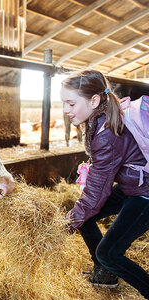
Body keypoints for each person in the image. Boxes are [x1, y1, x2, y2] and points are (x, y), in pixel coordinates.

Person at [61, 69, 149, 298]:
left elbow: (95, 195)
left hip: (145, 192)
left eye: (71, 103)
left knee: (108, 252)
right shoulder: (98, 119)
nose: (65, 110)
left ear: (94, 100)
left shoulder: (107, 133)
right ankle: (106, 274)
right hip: (135, 184)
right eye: (64, 103)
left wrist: (65, 225)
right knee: (84, 216)